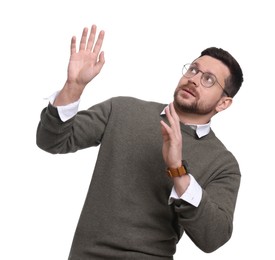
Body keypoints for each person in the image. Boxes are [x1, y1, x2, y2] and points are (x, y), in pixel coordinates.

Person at [36, 24, 244, 260]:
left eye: (208, 79)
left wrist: (178, 171)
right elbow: (51, 141)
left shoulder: (223, 164)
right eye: (193, 70)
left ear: (223, 103)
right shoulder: (124, 110)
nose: (194, 80)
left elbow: (214, 238)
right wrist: (73, 87)